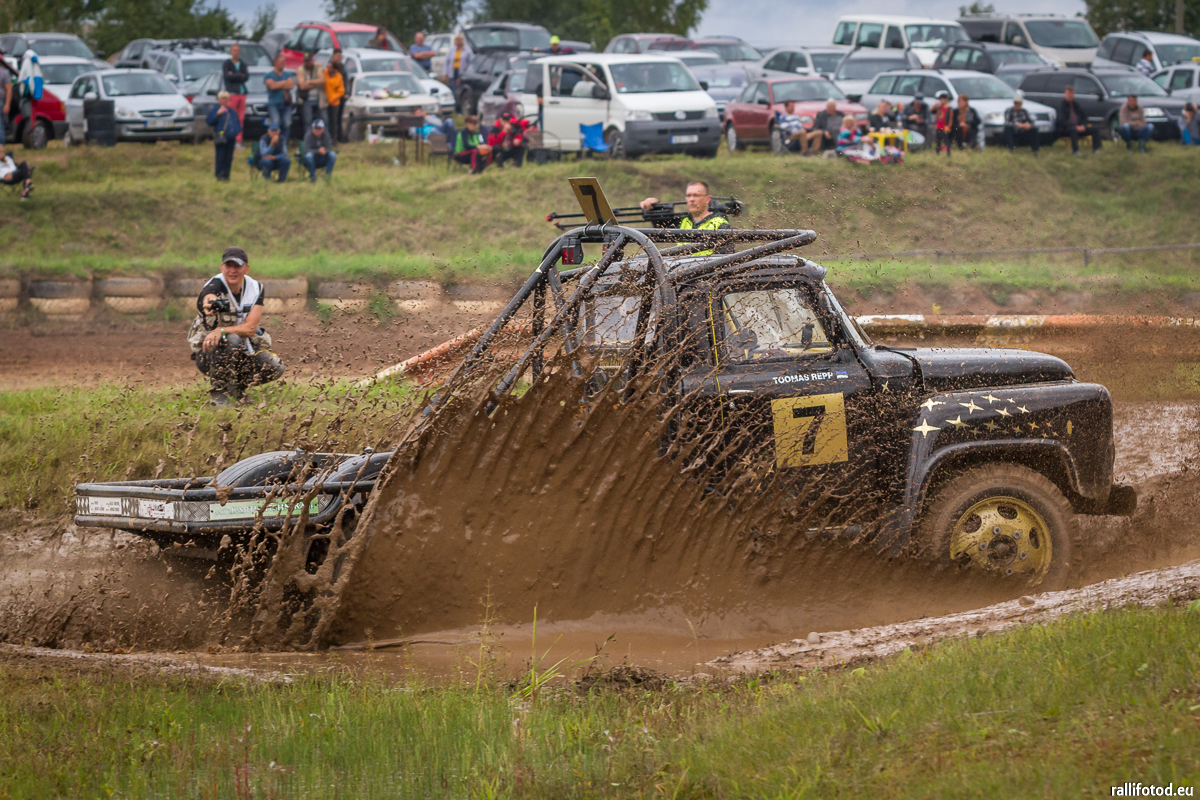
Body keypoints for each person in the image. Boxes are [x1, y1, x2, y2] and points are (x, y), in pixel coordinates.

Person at [189, 246, 285, 406]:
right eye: (229, 266)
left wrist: (221, 330)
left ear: (246, 268)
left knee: (276, 366)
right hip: (209, 355)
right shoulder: (214, 285)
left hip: (243, 352)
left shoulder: (255, 288)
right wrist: (210, 305)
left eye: (237, 266)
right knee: (231, 339)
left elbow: (250, 328)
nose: (232, 270)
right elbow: (208, 296)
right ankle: (219, 394)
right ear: (222, 268)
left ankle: (237, 389)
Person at [639, 181, 733, 256]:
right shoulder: (683, 221)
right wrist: (653, 206)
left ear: (707, 199)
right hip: (681, 271)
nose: (691, 199)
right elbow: (660, 230)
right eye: (688, 195)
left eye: (696, 195)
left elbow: (725, 258)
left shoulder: (720, 224)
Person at [206, 91, 241, 180]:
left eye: (225, 99)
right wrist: (217, 115)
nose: (223, 100)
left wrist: (235, 132)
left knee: (228, 157)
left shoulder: (231, 111)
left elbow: (236, 123)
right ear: (218, 100)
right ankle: (219, 175)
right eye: (221, 99)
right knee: (220, 156)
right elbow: (209, 122)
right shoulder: (215, 110)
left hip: (231, 137)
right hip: (221, 136)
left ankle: (226, 175)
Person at [1058, 85, 1101, 156]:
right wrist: (1074, 126)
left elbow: (1084, 116)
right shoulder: (1062, 106)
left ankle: (1096, 149)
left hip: (1079, 127)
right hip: (1066, 129)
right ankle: (1075, 151)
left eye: (1072, 93)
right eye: (1068, 93)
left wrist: (1083, 125)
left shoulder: (1076, 105)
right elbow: (1062, 121)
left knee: (1095, 129)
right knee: (1073, 130)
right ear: (1064, 94)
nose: (1070, 95)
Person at [222, 43, 250, 145]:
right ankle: (230, 138)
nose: (236, 52)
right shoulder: (227, 64)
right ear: (230, 51)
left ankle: (238, 140)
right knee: (231, 116)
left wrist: (234, 75)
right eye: (234, 50)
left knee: (240, 118)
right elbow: (227, 77)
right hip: (232, 93)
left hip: (242, 93)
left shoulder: (243, 64)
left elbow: (246, 77)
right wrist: (239, 75)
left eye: (238, 50)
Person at [264, 54, 296, 138]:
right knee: (275, 123)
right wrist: (284, 83)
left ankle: (283, 142)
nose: (283, 63)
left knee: (287, 123)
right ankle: (274, 141)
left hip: (286, 103)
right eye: (281, 62)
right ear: (276, 62)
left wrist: (277, 84)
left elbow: (291, 85)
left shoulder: (287, 74)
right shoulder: (269, 75)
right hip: (274, 103)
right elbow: (272, 86)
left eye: (284, 62)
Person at [296, 51, 326, 133]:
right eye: (306, 61)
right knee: (308, 121)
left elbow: (322, 81)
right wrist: (316, 84)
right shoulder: (301, 69)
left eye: (309, 60)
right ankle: (308, 138)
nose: (308, 63)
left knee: (323, 120)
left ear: (312, 60)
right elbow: (302, 86)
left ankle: (324, 137)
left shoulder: (318, 68)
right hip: (307, 99)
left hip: (319, 99)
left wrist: (308, 82)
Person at [1003, 91, 1039, 155]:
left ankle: (1035, 149)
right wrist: (1018, 125)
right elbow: (1007, 123)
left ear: (1021, 104)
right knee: (1008, 129)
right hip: (1013, 130)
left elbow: (1030, 121)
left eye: (1018, 104)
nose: (1017, 105)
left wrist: (1029, 126)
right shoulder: (1009, 111)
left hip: (1023, 131)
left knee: (1034, 130)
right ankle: (1011, 148)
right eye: (1016, 103)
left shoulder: (1024, 111)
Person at [323, 50, 346, 144]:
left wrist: (333, 97)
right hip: (325, 101)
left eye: (330, 67)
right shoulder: (325, 73)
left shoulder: (338, 76)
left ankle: (334, 140)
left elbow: (341, 90)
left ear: (334, 69)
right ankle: (325, 139)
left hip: (334, 102)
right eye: (327, 67)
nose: (328, 68)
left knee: (334, 122)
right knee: (326, 121)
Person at [443, 34, 473, 101]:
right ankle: (455, 103)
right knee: (453, 88)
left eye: (459, 40)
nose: (458, 42)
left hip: (462, 73)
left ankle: (460, 102)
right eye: (457, 40)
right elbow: (447, 62)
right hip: (453, 72)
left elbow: (471, 62)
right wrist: (445, 73)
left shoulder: (467, 50)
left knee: (461, 88)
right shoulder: (452, 50)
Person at [0, 46, 12, 148]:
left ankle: (1, 148)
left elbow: (9, 89)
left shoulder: (4, 73)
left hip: (0, 102)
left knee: (0, 126)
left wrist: (7, 104)